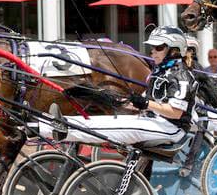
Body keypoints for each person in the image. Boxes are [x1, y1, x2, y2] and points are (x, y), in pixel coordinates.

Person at [38, 26, 198, 149]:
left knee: (111, 127)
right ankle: (41, 126)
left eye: (159, 48)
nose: (153, 52)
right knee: (104, 121)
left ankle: (58, 128)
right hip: (154, 121)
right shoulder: (161, 71)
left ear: (174, 50)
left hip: (171, 129)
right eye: (152, 48)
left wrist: (146, 104)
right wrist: (120, 101)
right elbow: (147, 104)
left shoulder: (181, 74)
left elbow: (176, 113)